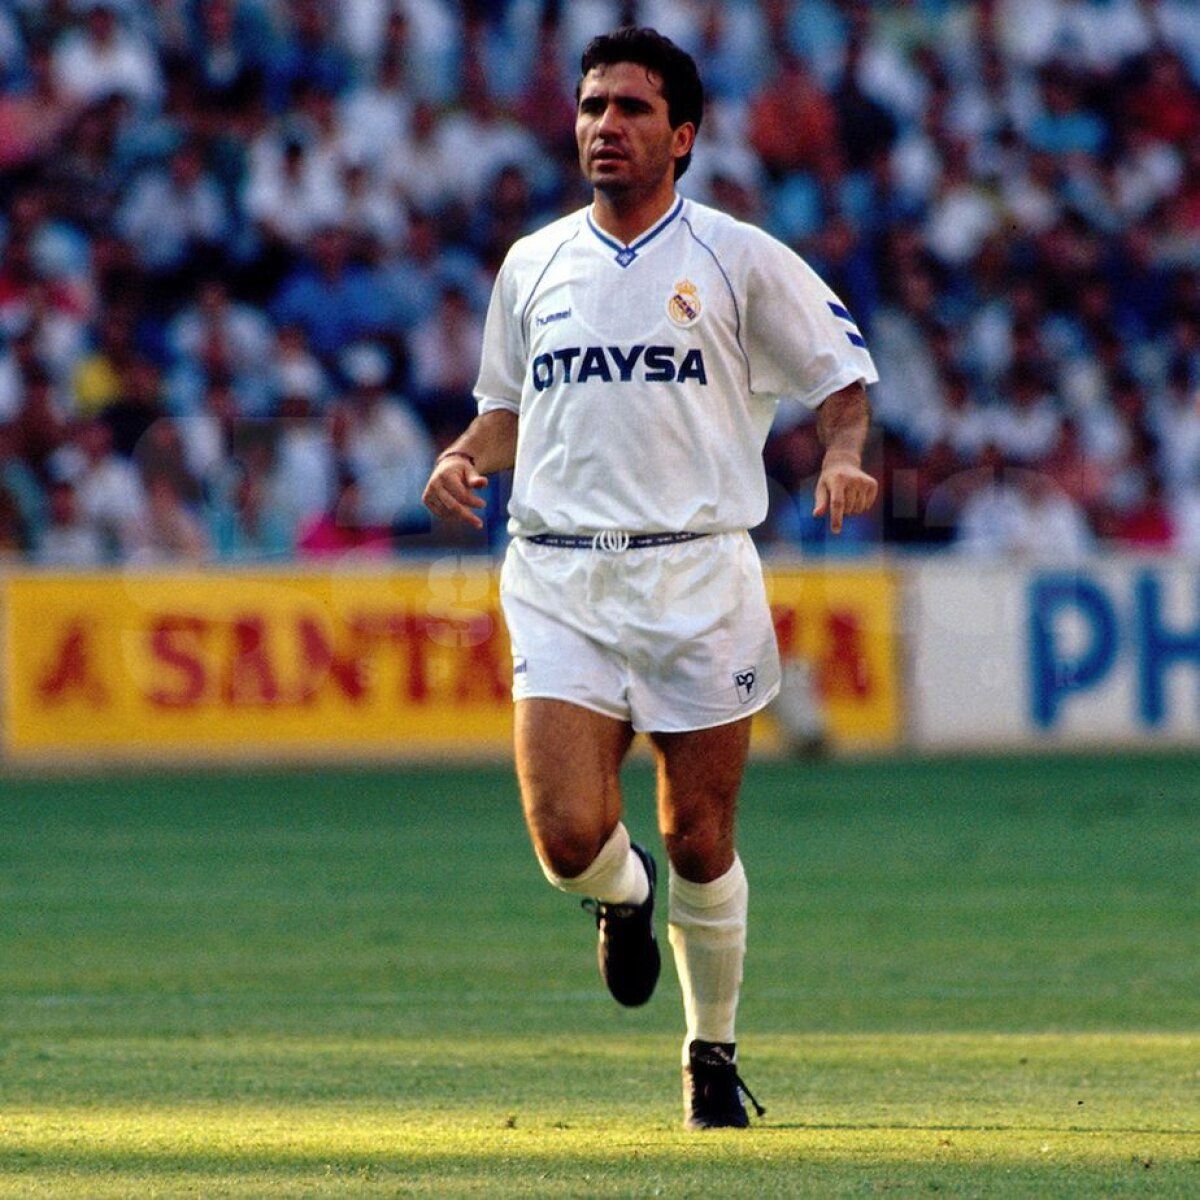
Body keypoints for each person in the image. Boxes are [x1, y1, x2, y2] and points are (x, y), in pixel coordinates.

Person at [422, 26, 878, 1130]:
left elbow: (842, 380)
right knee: (567, 838)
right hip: (560, 575)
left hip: (697, 574)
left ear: (681, 136)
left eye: (630, 108)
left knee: (699, 837)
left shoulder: (736, 257)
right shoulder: (532, 264)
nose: (605, 126)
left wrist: (845, 456)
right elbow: (508, 411)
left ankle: (710, 1053)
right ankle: (621, 899)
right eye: (592, 107)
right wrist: (463, 456)